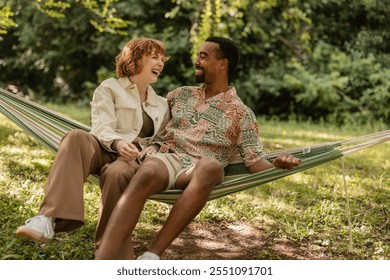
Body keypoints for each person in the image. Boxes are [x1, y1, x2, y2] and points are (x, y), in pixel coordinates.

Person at [94, 36, 301, 260]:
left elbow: (254, 162)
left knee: (210, 166)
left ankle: (152, 255)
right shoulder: (180, 95)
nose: (197, 61)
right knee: (149, 170)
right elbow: (145, 118)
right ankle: (102, 262)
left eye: (204, 56)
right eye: (198, 56)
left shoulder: (242, 114)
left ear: (223, 64)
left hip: (199, 169)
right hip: (167, 160)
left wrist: (278, 165)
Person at [15, 37, 170, 259]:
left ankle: (112, 255)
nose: (160, 63)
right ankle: (48, 219)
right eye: (154, 57)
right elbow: (101, 125)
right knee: (75, 137)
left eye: (162, 59)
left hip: (131, 159)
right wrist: (117, 142)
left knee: (118, 173)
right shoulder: (110, 88)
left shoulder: (162, 103)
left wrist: (154, 146)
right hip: (103, 146)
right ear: (134, 60)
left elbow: (164, 136)